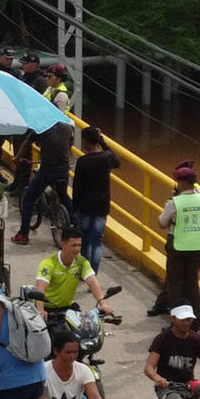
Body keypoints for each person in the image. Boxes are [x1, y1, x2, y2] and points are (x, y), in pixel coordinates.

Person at [153, 162, 200, 316]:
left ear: (182, 183)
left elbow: (161, 224)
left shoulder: (174, 203)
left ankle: (178, 321)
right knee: (192, 284)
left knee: (175, 284)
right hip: (197, 247)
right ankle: (194, 320)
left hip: (177, 246)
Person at [13, 117, 73, 246]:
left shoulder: (42, 127)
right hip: (64, 170)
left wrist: (17, 158)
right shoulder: (67, 127)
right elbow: (70, 145)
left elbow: (26, 143)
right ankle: (76, 226)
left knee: (29, 198)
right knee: (64, 196)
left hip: (47, 170)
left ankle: (23, 235)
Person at [68, 125, 119, 272]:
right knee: (97, 241)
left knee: (84, 241)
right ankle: (93, 273)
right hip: (101, 206)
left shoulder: (83, 161)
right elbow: (117, 161)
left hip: (85, 206)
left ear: (86, 142)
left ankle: (85, 271)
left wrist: (75, 207)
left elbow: (77, 187)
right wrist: (103, 142)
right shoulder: (107, 158)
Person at [35, 228, 114, 317]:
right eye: (73, 245)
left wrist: (103, 303)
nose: (77, 249)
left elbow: (93, 282)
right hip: (48, 308)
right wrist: (41, 310)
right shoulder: (48, 264)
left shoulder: (81, 262)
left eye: (79, 245)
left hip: (68, 308)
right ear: (63, 245)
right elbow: (40, 290)